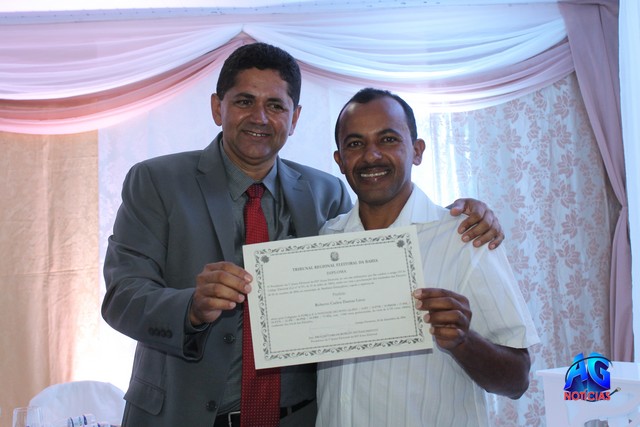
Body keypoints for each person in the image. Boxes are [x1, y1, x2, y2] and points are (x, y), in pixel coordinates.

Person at [102, 43, 505, 427]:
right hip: (180, 415)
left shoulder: (327, 193)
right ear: (216, 107)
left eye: (275, 105)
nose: (260, 117)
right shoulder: (157, 181)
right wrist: (191, 307)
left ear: (294, 118)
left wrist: (462, 212)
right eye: (244, 101)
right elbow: (122, 297)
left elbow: (381, 244)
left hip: (297, 418)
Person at [315, 88, 540, 427]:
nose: (371, 155)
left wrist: (464, 341)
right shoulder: (325, 240)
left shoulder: (465, 238)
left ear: (417, 151)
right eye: (356, 143)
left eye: (388, 139)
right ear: (340, 160)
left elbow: (517, 380)